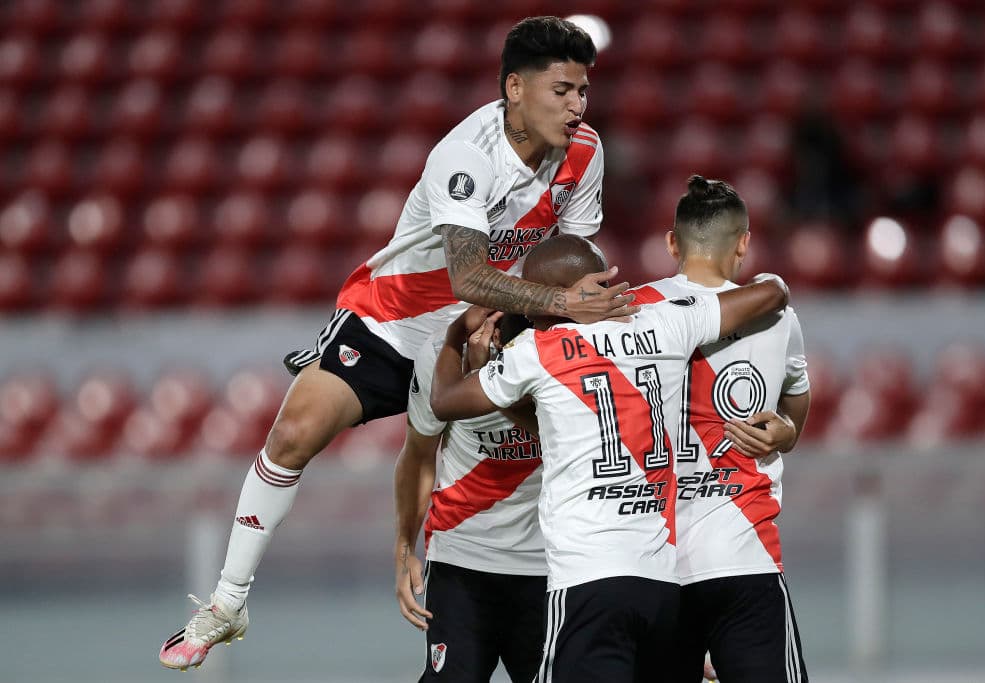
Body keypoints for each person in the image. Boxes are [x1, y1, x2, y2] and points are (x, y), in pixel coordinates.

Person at [159, 16, 638, 671]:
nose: (578, 106)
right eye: (562, 91)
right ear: (515, 88)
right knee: (295, 429)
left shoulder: (586, 151)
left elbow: (572, 258)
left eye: (583, 91)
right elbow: (469, 271)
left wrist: (565, 322)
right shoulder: (466, 155)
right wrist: (561, 304)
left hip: (487, 323)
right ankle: (228, 600)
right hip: (393, 322)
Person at [429, 234, 790, 683]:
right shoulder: (663, 322)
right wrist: (774, 278)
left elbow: (443, 401)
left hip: (587, 583)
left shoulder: (538, 351)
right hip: (661, 588)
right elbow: (771, 294)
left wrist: (453, 338)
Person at [631, 176, 812, 683]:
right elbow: (796, 395)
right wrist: (787, 433)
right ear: (743, 243)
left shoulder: (629, 313)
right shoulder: (777, 316)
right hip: (745, 556)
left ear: (672, 242)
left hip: (651, 561)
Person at [394, 313, 546, 682]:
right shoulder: (443, 353)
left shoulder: (574, 349)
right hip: (463, 557)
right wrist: (403, 550)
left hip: (555, 564)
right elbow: (418, 453)